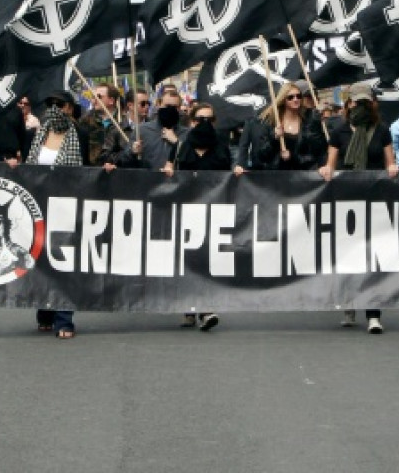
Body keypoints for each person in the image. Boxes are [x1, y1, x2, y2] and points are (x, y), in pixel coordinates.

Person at [320, 83, 398, 333]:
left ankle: (374, 313)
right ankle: (350, 302)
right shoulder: (339, 130)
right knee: (349, 255)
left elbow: (390, 162)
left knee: (374, 256)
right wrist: (326, 170)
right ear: (348, 104)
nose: (360, 106)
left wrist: (393, 169)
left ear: (372, 104)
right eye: (356, 102)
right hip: (347, 200)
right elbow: (331, 163)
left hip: (375, 198)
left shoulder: (382, 130)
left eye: (366, 101)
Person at [163, 102, 229, 331]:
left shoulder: (221, 145)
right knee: (188, 259)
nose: (204, 124)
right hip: (186, 209)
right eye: (200, 119)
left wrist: (238, 172)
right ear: (191, 122)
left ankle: (206, 308)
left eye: (209, 120)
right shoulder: (181, 146)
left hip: (213, 210)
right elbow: (168, 166)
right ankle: (189, 307)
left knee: (207, 259)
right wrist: (168, 171)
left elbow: (230, 171)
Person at [27, 92, 84, 338]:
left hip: (67, 204)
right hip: (39, 203)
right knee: (40, 257)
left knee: (63, 260)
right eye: (50, 104)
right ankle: (44, 312)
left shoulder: (79, 134)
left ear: (70, 108)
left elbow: (93, 162)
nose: (54, 109)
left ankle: (64, 318)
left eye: (59, 105)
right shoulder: (38, 133)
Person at [234, 82, 327, 173]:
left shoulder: (309, 119)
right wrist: (274, 139)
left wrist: (323, 166)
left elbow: (320, 148)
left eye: (298, 96)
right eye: (290, 97)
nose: (295, 99)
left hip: (303, 175)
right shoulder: (271, 122)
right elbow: (262, 155)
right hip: (278, 176)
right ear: (283, 100)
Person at [79, 84, 131, 169]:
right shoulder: (85, 121)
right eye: (93, 96)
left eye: (99, 97)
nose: (94, 100)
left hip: (115, 173)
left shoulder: (123, 123)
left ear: (111, 100)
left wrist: (113, 162)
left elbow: (126, 151)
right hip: (90, 173)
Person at [133, 88, 185, 170]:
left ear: (179, 108)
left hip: (177, 181)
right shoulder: (142, 130)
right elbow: (125, 160)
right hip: (150, 180)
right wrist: (132, 152)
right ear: (159, 104)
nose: (170, 110)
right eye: (167, 106)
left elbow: (193, 159)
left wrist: (176, 142)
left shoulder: (187, 133)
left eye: (175, 107)